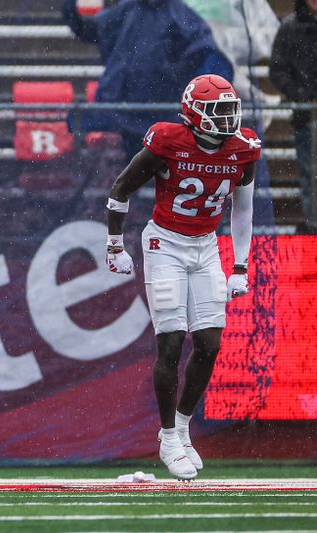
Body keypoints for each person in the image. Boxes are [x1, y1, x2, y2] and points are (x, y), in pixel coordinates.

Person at [106, 74, 260, 479]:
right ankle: (168, 435)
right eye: (217, 111)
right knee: (171, 343)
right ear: (193, 112)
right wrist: (114, 245)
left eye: (230, 109)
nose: (227, 119)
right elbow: (121, 187)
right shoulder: (167, 140)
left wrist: (241, 265)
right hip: (164, 244)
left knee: (209, 344)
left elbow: (242, 209)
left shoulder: (244, 148)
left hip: (206, 245)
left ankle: (183, 427)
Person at [62, 0, 233, 163]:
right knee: (131, 174)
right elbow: (87, 29)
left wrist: (179, 78)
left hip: (158, 113)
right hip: (123, 110)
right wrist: (69, 8)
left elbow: (207, 57)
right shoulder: (126, 10)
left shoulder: (179, 14)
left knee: (153, 173)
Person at [270, 0, 317, 232]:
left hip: (305, 115)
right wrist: (302, 95)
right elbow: (277, 70)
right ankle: (313, 225)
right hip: (305, 118)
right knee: (310, 177)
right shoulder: (290, 27)